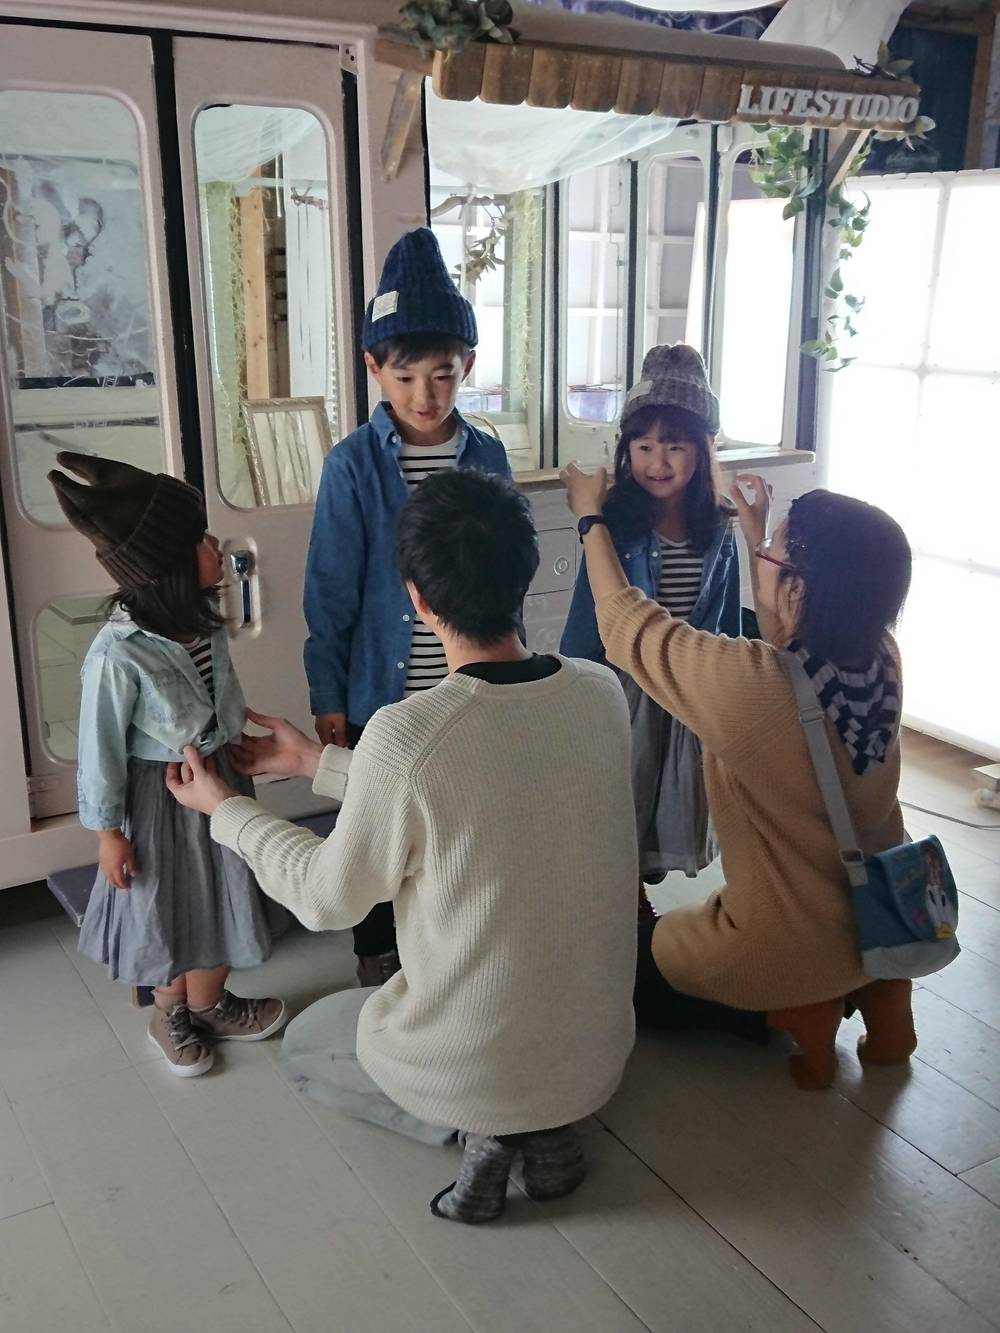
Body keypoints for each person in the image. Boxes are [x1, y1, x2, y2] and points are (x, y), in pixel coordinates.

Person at [168, 470, 637, 1222]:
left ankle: (483, 1129)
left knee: (313, 1040)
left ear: (417, 598)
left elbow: (327, 897)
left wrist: (225, 809)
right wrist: (312, 761)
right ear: (525, 573)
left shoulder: (406, 734)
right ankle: (546, 1129)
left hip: (473, 1068)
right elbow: (480, 789)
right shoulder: (599, 693)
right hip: (597, 1061)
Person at [561, 461, 916, 1091]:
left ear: (800, 587)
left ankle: (796, 1007)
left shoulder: (751, 685)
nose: (764, 551)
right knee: (828, 941)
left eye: (775, 548)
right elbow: (789, 637)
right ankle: (884, 994)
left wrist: (590, 517)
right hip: (882, 915)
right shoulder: (880, 657)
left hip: (783, 942)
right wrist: (757, 537)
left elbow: (624, 626)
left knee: (620, 974)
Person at [303, 227, 512, 987]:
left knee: (461, 823)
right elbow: (330, 590)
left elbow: (504, 579)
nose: (426, 396)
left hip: (468, 685)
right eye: (406, 378)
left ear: (468, 367)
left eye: (444, 375)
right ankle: (377, 956)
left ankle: (450, 948)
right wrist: (328, 694)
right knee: (374, 824)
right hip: (378, 695)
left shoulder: (486, 458)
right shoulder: (352, 467)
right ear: (373, 369)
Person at [48, 453, 288, 1077]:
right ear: (167, 569)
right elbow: (100, 747)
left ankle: (210, 1004)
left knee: (225, 893)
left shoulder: (202, 623)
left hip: (220, 779)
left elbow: (217, 691)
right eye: (200, 540)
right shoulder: (117, 654)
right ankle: (170, 1010)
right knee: (167, 903)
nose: (215, 545)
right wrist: (108, 833)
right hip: (161, 798)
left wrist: (233, 739)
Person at [561, 344, 741, 897]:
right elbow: (589, 615)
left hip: (685, 692)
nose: (657, 463)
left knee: (666, 809)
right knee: (621, 806)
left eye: (675, 447)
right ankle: (627, 907)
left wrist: (726, 693)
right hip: (626, 689)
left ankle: (643, 897)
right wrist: (572, 689)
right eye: (644, 447)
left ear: (702, 450)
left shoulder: (719, 528)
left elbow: (726, 621)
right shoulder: (613, 524)